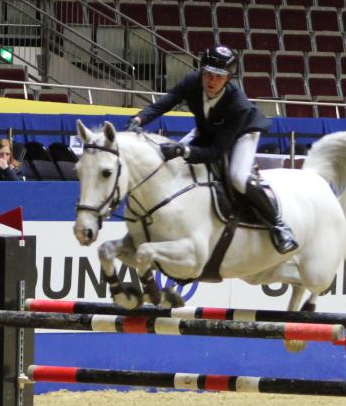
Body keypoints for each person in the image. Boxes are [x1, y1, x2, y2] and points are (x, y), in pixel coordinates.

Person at [126, 45, 297, 253]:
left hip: (242, 133)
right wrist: (139, 119)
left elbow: (216, 151)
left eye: (218, 76)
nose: (211, 81)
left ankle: (278, 225)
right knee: (170, 161)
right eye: (207, 74)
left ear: (228, 79)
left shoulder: (238, 105)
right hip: (210, 128)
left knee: (237, 178)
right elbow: (165, 103)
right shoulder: (192, 82)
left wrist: (184, 151)